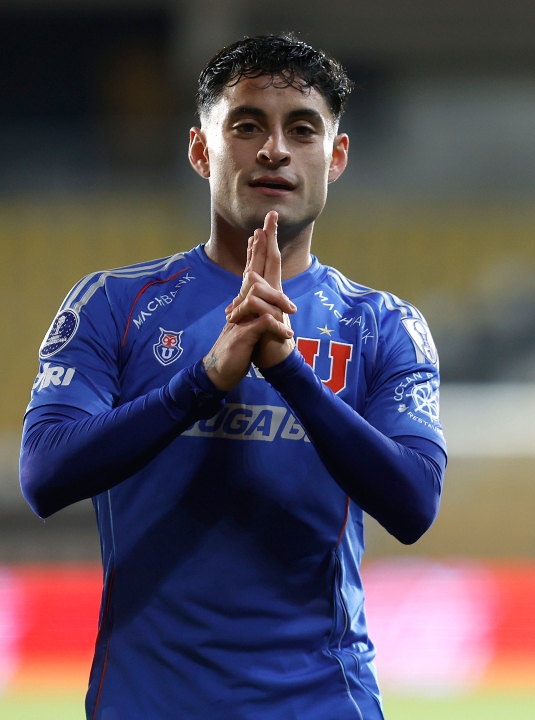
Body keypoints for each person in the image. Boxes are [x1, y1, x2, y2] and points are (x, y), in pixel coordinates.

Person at [20, 35, 446, 718]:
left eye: (302, 130)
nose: (274, 149)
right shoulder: (111, 303)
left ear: (335, 158)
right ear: (200, 150)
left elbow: (415, 504)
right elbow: (44, 475)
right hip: (145, 703)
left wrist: (290, 374)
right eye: (246, 126)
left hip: (320, 703)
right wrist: (206, 380)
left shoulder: (383, 325)